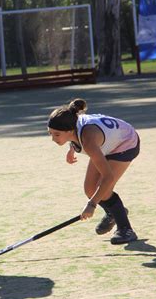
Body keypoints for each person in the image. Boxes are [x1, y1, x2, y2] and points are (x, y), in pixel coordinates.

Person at [47, 98, 140, 244]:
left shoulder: (89, 141)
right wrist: (71, 147)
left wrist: (91, 205)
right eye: (50, 133)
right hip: (106, 143)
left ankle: (126, 229)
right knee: (90, 189)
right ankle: (113, 212)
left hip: (125, 143)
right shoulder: (72, 123)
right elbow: (76, 135)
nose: (53, 138)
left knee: (103, 189)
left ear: (69, 130)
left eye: (57, 134)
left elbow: (108, 177)